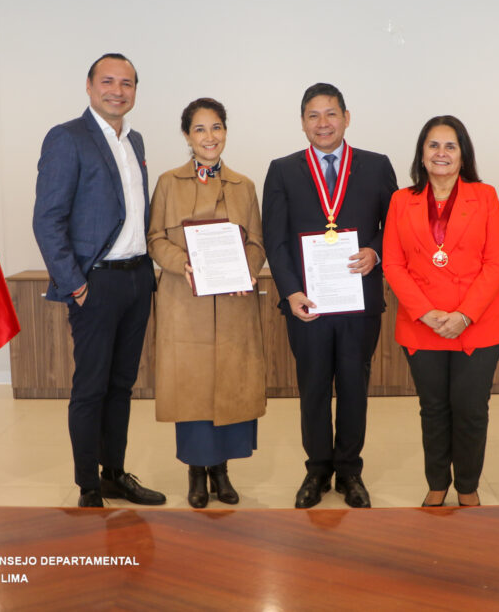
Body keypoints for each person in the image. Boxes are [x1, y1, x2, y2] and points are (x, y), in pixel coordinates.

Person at [32, 53, 165, 508]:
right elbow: (47, 220)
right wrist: (76, 283)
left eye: (126, 83)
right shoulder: (67, 138)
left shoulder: (134, 140)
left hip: (137, 279)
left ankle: (114, 474)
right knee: (91, 388)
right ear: (89, 87)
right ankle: (89, 485)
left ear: (135, 91)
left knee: (122, 385)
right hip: (96, 283)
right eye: (107, 81)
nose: (117, 91)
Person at [263, 83, 398, 508]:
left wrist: (375, 251)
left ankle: (350, 471)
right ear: (303, 122)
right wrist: (291, 292)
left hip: (359, 302)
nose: (323, 123)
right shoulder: (283, 170)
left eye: (331, 114)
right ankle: (317, 470)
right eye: (313, 115)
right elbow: (275, 240)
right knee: (314, 387)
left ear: (346, 117)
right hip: (309, 304)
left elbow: (395, 226)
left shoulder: (376, 166)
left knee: (355, 387)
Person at [382, 116, 499, 508]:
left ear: (462, 155)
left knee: (470, 410)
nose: (441, 153)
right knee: (434, 409)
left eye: (450, 146)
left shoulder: (485, 196)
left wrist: (465, 315)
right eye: (433, 145)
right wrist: (425, 313)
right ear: (421, 154)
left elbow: (496, 263)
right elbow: (393, 264)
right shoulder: (401, 200)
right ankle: (437, 483)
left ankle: (467, 486)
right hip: (423, 324)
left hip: (477, 323)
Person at [147, 98, 266, 508]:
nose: (209, 136)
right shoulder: (168, 182)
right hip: (185, 303)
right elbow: (154, 239)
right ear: (187, 135)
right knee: (192, 389)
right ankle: (197, 472)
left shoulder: (244, 186)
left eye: (216, 127)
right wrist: (182, 263)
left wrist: (246, 268)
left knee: (231, 386)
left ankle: (222, 470)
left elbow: (257, 242)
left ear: (225, 132)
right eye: (199, 129)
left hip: (233, 304)